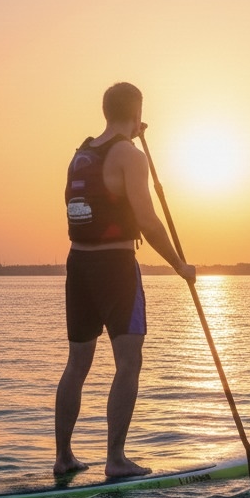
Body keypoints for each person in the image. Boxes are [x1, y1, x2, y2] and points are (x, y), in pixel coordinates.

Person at [55, 82, 196, 478]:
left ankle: (63, 457)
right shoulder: (130, 156)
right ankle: (116, 460)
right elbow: (148, 222)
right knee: (128, 362)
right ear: (136, 113)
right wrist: (179, 265)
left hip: (78, 266)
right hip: (115, 267)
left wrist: (129, 129)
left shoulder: (80, 155)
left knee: (77, 364)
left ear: (105, 112)